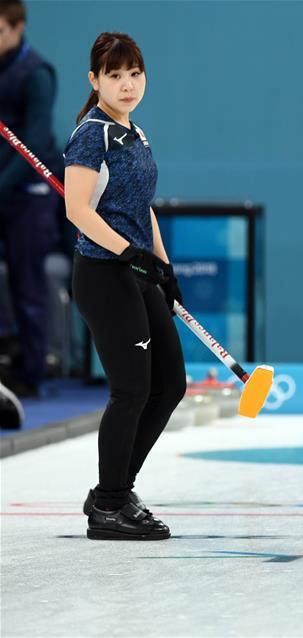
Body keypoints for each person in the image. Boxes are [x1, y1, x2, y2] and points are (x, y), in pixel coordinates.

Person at [64, 32, 186, 541]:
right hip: (103, 274)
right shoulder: (92, 134)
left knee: (170, 385)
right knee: (132, 389)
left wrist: (163, 265)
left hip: (135, 272)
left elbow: (141, 209)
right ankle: (110, 505)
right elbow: (77, 210)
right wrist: (128, 253)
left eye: (134, 73)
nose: (127, 84)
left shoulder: (135, 132)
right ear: (95, 81)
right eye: (114, 75)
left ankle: (114, 489)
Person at [0, 0, 60, 397]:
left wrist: (1, 185)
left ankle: (33, 371)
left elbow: (34, 143)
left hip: (28, 194)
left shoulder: (36, 73)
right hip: (3, 187)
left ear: (17, 27)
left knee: (27, 281)